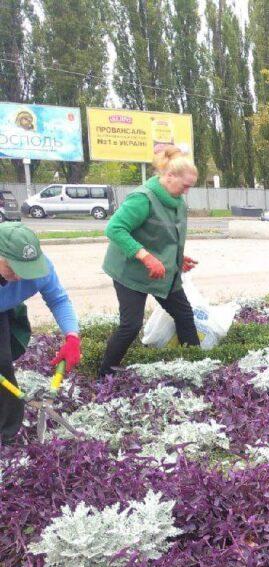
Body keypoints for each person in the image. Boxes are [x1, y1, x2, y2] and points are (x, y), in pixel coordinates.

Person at [98, 147, 200, 376]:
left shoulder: (177, 202)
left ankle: (196, 367)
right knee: (131, 325)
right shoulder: (143, 199)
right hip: (130, 272)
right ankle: (104, 375)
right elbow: (115, 229)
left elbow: (162, 235)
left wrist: (177, 257)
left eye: (189, 188)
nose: (186, 192)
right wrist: (145, 256)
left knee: (184, 315)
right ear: (169, 176)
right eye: (184, 186)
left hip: (163, 271)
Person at [0, 223, 80, 445]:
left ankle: (8, 436)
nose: (19, 276)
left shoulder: (42, 269)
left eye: (26, 269)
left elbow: (58, 300)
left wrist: (72, 337)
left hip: (4, 309)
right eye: (12, 268)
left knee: (3, 366)